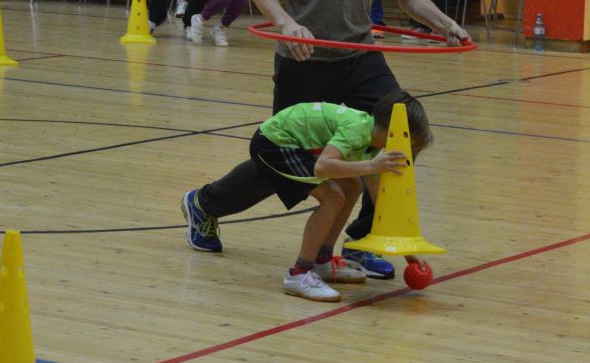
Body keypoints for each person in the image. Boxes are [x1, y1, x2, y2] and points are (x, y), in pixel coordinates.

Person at [182, 0, 469, 280]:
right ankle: (204, 203)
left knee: (399, 135)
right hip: (304, 58)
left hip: (360, 57)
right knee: (282, 164)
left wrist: (446, 24)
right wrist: (285, 22)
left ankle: (361, 240)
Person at [182, 91, 433, 301]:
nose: (409, 150)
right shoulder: (357, 130)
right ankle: (299, 274)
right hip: (275, 142)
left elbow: (382, 204)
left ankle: (322, 260)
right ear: (394, 130)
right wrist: (370, 166)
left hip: (296, 142)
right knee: (332, 198)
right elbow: (322, 167)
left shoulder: (374, 145)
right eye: (411, 143)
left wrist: (407, 253)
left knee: (351, 186)